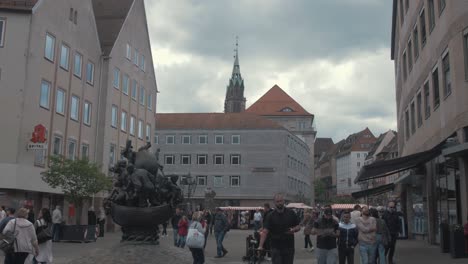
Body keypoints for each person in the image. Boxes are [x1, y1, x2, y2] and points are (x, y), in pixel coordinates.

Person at [258, 193, 301, 264]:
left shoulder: (291, 213)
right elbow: (265, 231)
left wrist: (295, 229)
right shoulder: (270, 216)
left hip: (289, 247)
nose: (279, 203)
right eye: (277, 201)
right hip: (275, 247)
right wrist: (260, 246)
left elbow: (298, 226)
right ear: (274, 203)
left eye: (281, 201)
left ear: (284, 201)